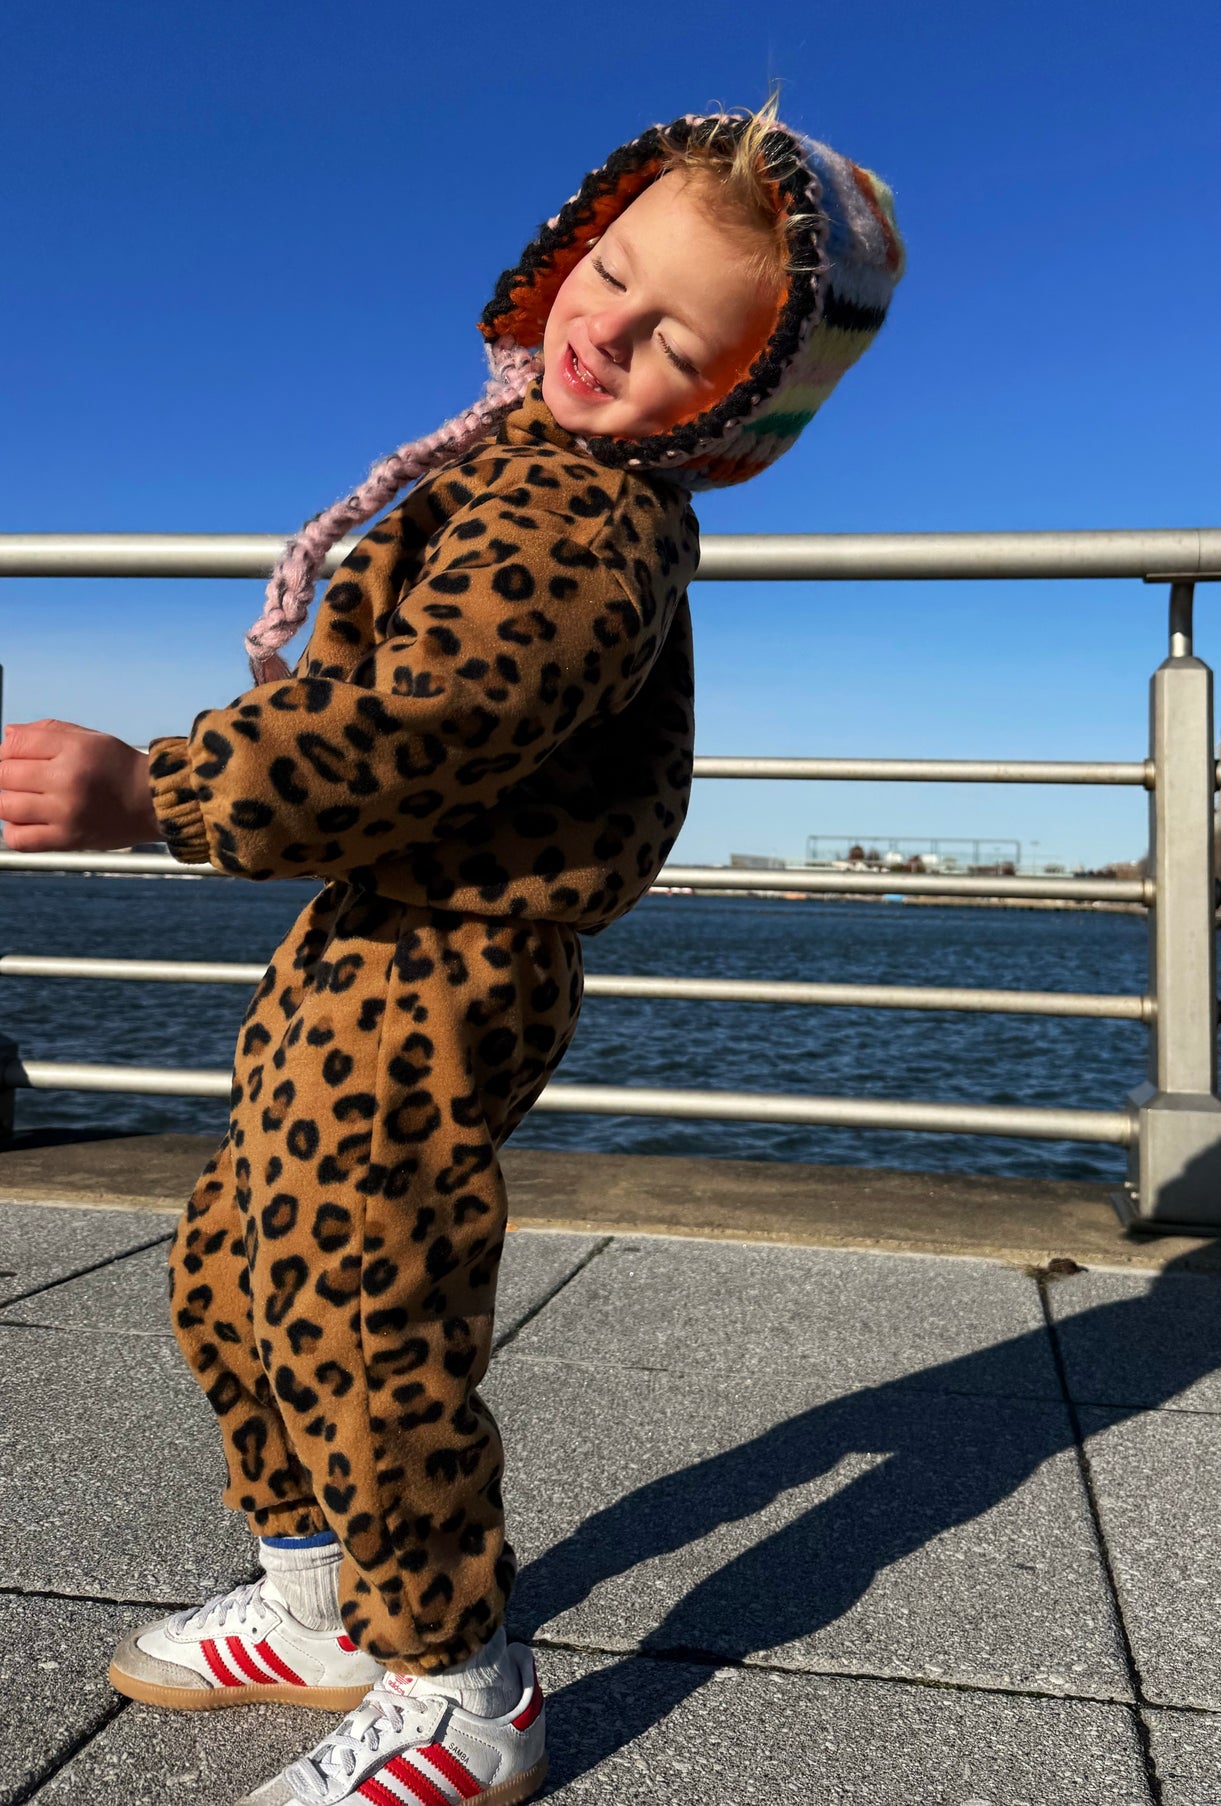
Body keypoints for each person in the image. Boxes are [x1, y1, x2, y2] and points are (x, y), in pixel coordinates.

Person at [0, 103, 903, 1806]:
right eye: (610, 275)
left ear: (729, 408)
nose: (607, 330)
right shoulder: (513, 461)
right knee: (235, 1268)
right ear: (569, 250)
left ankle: (460, 1682)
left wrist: (159, 789)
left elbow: (429, 718)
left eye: (672, 342)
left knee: (362, 1296)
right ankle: (324, 1600)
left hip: (448, 966)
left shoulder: (584, 524)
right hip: (367, 937)